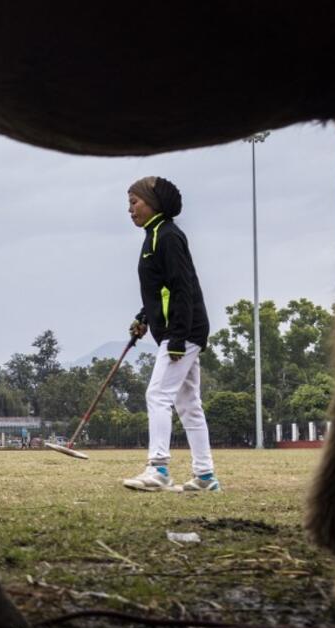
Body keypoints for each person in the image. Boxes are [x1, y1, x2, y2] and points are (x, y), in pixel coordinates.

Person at [121, 177, 220, 492]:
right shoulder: (153, 236)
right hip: (177, 329)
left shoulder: (168, 236)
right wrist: (143, 317)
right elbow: (158, 289)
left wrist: (177, 338)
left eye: (134, 202)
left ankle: (159, 469)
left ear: (153, 203)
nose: (129, 209)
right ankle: (205, 478)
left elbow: (182, 288)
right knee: (189, 404)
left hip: (184, 330)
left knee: (157, 395)